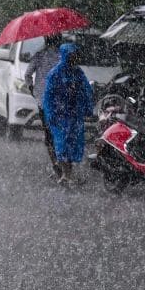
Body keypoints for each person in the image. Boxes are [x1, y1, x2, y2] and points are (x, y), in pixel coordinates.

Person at [42, 43, 94, 185]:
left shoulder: (78, 73)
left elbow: (86, 90)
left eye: (75, 55)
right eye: (71, 55)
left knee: (73, 145)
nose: (74, 58)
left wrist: (88, 107)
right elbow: (48, 96)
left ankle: (66, 173)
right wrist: (50, 114)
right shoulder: (55, 74)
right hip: (59, 116)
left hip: (75, 115)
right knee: (62, 144)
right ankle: (66, 174)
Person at [24, 34, 63, 178]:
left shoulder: (39, 56)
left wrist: (31, 88)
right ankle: (63, 163)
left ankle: (55, 164)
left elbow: (27, 74)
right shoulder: (63, 56)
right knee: (60, 132)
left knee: (49, 134)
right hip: (61, 101)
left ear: (46, 41)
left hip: (44, 101)